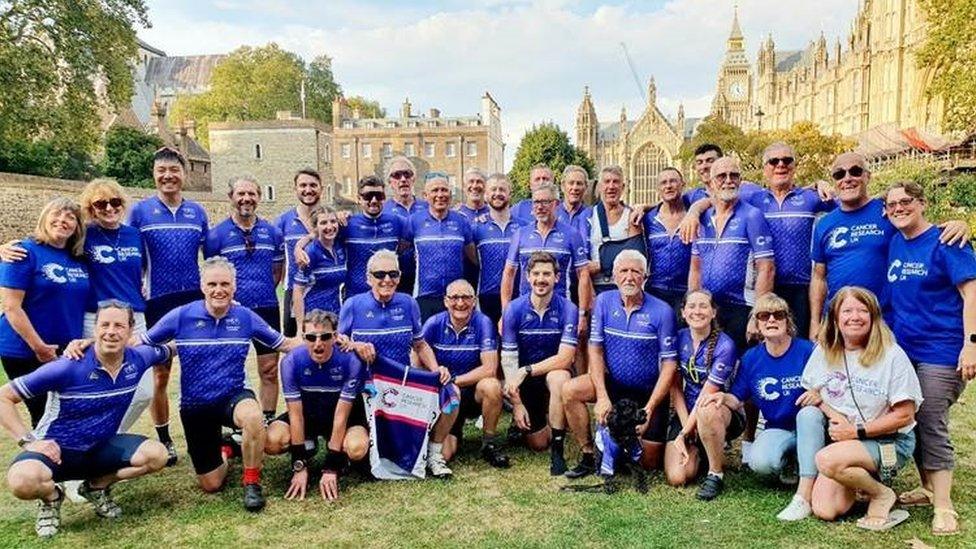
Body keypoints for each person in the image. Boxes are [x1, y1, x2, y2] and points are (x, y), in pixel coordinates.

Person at [140, 257, 300, 511]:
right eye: (212, 284)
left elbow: (285, 344)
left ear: (234, 287)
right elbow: (142, 343)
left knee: (254, 417)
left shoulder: (245, 317)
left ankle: (252, 482)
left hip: (233, 395)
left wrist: (331, 342)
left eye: (225, 284)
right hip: (195, 405)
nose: (218, 290)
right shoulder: (181, 316)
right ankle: (227, 448)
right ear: (202, 286)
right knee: (211, 484)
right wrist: (94, 347)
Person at [1, 300, 170, 538]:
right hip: (56, 451)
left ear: (131, 330)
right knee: (22, 481)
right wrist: (28, 442)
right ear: (95, 329)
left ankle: (95, 487)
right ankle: (51, 499)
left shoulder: (139, 358)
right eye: (105, 325)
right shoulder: (67, 367)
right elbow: (3, 398)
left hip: (100, 450)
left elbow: (172, 347)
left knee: (157, 455)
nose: (111, 331)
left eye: (119, 326)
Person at [884, 181, 976, 536]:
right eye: (892, 204)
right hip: (905, 350)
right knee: (910, 416)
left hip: (943, 348)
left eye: (906, 201)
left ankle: (944, 506)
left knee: (930, 417)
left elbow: (971, 294)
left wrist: (971, 344)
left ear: (922, 204)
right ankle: (926, 487)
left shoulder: (946, 241)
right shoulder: (896, 242)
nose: (899, 208)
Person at [795, 286, 922, 530]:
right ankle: (860, 481)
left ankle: (881, 493)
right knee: (824, 509)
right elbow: (813, 394)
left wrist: (855, 431)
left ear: (874, 317)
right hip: (848, 441)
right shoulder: (824, 350)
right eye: (847, 311)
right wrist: (833, 413)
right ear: (835, 318)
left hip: (890, 442)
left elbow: (905, 415)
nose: (855, 317)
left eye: (863, 310)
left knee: (826, 459)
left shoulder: (892, 355)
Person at [809, 152, 970, 337]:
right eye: (839, 174)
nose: (847, 178)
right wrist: (815, 322)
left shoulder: (889, 211)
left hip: (883, 322)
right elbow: (818, 277)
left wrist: (960, 225)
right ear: (834, 180)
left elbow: (920, 229)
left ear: (867, 176)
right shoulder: (824, 224)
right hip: (839, 320)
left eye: (855, 171)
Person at [336, 249, 453, 476]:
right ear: (368, 277)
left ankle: (430, 452)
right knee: (356, 450)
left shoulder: (408, 303)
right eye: (380, 274)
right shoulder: (353, 304)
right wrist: (356, 345)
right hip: (364, 389)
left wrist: (435, 368)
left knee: (452, 397)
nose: (387, 280)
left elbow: (420, 344)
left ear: (400, 276)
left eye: (393, 274)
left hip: (400, 388)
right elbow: (339, 342)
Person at [563, 250, 678, 478]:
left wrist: (650, 408)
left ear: (645, 277)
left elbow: (669, 365)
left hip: (647, 391)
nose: (629, 277)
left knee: (649, 463)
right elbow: (595, 350)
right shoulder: (604, 302)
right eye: (623, 271)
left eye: (635, 271)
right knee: (570, 390)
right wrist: (603, 396)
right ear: (614, 276)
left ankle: (618, 443)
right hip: (614, 384)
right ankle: (589, 454)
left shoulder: (662, 311)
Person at [128, 146, 209, 463]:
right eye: (161, 170)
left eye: (174, 170)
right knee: (161, 374)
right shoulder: (140, 212)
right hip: (157, 300)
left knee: (197, 370)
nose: (168, 176)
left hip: (192, 301)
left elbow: (212, 256)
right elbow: (131, 260)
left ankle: (203, 433)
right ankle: (165, 438)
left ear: (184, 174)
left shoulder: (197, 212)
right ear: (154, 174)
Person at [0, 198, 89, 425]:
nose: (62, 221)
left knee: (63, 413)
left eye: (70, 217)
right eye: (57, 214)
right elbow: (11, 306)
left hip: (65, 349)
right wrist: (39, 347)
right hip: (25, 350)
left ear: (77, 226)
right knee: (45, 414)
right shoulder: (23, 253)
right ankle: (36, 457)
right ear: (44, 218)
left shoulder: (78, 259)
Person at [265, 309, 369, 502]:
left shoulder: (351, 361)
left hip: (342, 418)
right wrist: (299, 464)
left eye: (325, 337)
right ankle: (308, 445)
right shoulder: (291, 361)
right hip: (308, 415)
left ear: (336, 336)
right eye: (311, 337)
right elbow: (295, 415)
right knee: (272, 441)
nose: (318, 343)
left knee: (357, 448)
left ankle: (340, 453)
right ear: (303, 338)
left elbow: (341, 417)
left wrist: (331, 466)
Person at [206, 176, 285, 423]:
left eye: (251, 194)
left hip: (267, 308)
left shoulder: (272, 232)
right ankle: (230, 423)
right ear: (231, 197)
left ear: (259, 197)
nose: (246, 199)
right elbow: (211, 274)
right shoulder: (216, 235)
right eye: (241, 194)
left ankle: (267, 420)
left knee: (269, 370)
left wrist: (259, 292)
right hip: (230, 312)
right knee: (227, 371)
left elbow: (276, 271)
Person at [728, 294, 814, 520]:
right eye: (764, 316)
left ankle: (808, 473)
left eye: (779, 315)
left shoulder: (807, 350)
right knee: (761, 462)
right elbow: (737, 397)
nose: (771, 320)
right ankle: (791, 460)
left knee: (809, 416)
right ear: (757, 323)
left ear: (788, 321)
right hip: (779, 428)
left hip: (813, 427)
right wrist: (718, 399)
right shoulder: (751, 358)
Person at [501, 252, 578, 475]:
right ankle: (536, 422)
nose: (541, 279)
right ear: (527, 277)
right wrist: (516, 403)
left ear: (557, 277)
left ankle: (558, 448)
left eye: (546, 274)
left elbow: (565, 358)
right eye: (536, 274)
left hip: (550, 373)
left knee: (559, 376)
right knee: (537, 444)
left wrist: (527, 370)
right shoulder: (514, 309)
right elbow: (508, 358)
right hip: (526, 381)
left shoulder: (568, 309)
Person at [688, 156, 775, 352]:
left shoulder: (752, 215)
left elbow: (766, 268)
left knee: (739, 372)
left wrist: (757, 314)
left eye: (734, 175)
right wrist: (691, 306)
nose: (728, 180)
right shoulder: (700, 218)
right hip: (708, 309)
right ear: (710, 182)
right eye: (721, 176)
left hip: (741, 307)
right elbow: (695, 267)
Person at [420, 279, 509, 468]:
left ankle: (489, 443)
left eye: (466, 297)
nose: (460, 303)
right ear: (445, 301)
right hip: (445, 395)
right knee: (446, 454)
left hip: (471, 391)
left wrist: (454, 380)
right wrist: (435, 375)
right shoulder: (433, 323)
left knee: (492, 385)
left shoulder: (483, 322)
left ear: (474, 300)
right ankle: (445, 435)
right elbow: (416, 357)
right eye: (454, 297)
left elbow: (490, 368)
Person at [664, 289, 740, 500]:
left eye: (703, 306)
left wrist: (684, 433)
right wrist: (685, 428)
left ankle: (715, 473)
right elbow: (676, 387)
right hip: (687, 413)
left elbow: (708, 393)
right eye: (692, 306)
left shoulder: (726, 345)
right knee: (678, 477)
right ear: (683, 312)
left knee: (706, 409)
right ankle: (704, 452)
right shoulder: (678, 338)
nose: (697, 311)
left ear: (713, 312)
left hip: (719, 410)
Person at [501, 182, 593, 330]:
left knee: (564, 353)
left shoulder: (571, 234)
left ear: (556, 203)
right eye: (536, 202)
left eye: (545, 202)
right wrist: (506, 312)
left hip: (562, 310)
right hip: (526, 310)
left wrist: (582, 314)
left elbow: (583, 274)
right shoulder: (520, 234)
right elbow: (509, 273)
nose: (540, 206)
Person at [404, 172, 475, 320]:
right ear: (425, 195)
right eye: (435, 190)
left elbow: (474, 258)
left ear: (450, 193)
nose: (440, 194)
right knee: (426, 341)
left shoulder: (461, 221)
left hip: (456, 297)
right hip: (424, 295)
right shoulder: (414, 221)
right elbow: (401, 250)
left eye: (444, 190)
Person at [340, 175, 410, 297]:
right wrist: (299, 246)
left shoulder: (397, 222)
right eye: (368, 196)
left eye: (378, 196)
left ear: (384, 198)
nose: (373, 200)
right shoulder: (347, 223)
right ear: (359, 198)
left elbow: (416, 238)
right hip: (356, 296)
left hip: (388, 295)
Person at [275, 169, 322, 337]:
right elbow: (276, 259)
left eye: (313, 185)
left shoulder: (329, 220)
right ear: (295, 189)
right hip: (293, 290)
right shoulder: (283, 221)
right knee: (294, 342)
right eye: (303, 185)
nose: (308, 190)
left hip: (323, 290)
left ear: (321, 189)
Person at [641, 167, 692, 313]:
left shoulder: (694, 216)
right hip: (654, 290)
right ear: (658, 189)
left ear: (683, 184)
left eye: (673, 181)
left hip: (685, 292)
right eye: (663, 183)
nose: (668, 186)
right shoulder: (648, 218)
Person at [587, 165, 643, 294]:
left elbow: (636, 254)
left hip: (623, 286)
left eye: (616, 182)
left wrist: (602, 264)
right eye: (607, 182)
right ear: (600, 187)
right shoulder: (588, 215)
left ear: (623, 187)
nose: (611, 186)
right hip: (594, 286)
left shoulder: (631, 216)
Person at [471, 173, 518, 325]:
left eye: (502, 190)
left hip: (519, 295)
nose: (497, 193)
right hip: (487, 296)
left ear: (510, 194)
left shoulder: (523, 227)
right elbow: (472, 259)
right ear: (485, 195)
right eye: (493, 190)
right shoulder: (476, 227)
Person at [293, 206, 347, 326]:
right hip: (315, 317)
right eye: (323, 223)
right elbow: (298, 291)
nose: (329, 227)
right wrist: (300, 327)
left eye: (333, 221)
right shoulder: (311, 252)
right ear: (315, 227)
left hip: (335, 315)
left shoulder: (340, 247)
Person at [383, 156, 428, 295]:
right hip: (393, 279)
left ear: (413, 179)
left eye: (407, 174)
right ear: (390, 182)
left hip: (424, 277)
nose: (403, 179)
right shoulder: (383, 210)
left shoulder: (428, 207)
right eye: (397, 175)